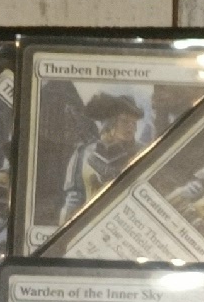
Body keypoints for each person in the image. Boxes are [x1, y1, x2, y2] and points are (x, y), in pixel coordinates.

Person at [59, 91, 147, 220]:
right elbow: (74, 198)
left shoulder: (142, 152)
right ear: (109, 123)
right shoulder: (82, 153)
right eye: (125, 121)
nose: (131, 128)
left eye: (134, 123)